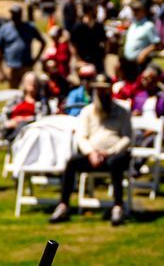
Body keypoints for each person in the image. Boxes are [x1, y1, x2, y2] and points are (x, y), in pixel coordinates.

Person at [48, 75, 134, 227]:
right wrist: (91, 152)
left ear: (109, 90)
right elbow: (81, 136)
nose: (101, 93)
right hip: (93, 155)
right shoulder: (88, 112)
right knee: (72, 162)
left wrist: (111, 151)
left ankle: (118, 206)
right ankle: (63, 205)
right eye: (98, 89)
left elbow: (127, 137)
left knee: (116, 163)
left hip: (115, 155)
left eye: (104, 89)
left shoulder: (122, 111)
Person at [0, 5, 45, 89]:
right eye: (13, 14)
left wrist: (36, 59)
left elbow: (43, 42)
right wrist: (1, 71)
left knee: (30, 89)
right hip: (12, 67)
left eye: (16, 14)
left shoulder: (29, 28)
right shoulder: (4, 29)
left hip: (26, 66)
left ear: (20, 15)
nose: (14, 16)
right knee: (13, 93)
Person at [120, 9, 162, 82]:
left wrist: (144, 52)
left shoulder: (148, 25)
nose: (134, 13)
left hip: (140, 64)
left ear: (143, 12)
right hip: (128, 63)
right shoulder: (133, 25)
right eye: (133, 11)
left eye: (137, 11)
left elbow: (157, 44)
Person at [68, 7, 108, 80]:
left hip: (97, 60)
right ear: (90, 12)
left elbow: (105, 42)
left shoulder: (98, 26)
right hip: (83, 60)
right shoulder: (78, 27)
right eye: (95, 11)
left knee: (100, 80)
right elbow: (72, 44)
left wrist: (104, 55)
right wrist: (78, 59)